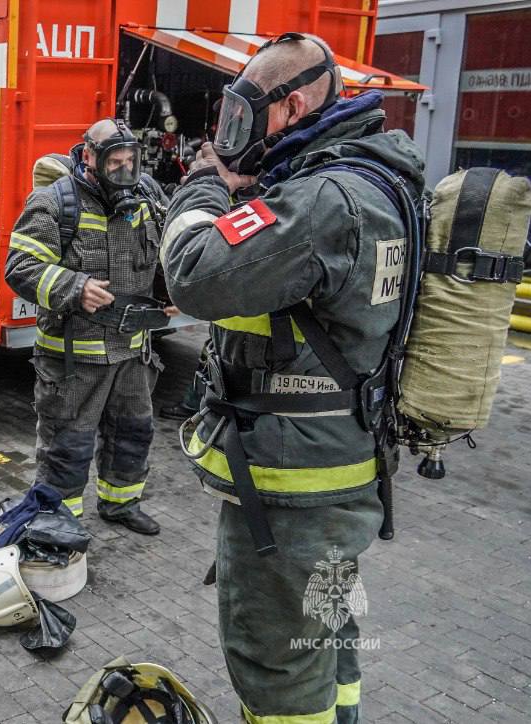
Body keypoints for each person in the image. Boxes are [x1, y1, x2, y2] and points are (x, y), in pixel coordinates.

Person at [160, 33, 425, 723]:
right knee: (325, 634)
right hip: (342, 470)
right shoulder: (373, 180)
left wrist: (203, 184)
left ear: (294, 103)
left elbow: (193, 271)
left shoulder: (320, 201)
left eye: (244, 116)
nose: (231, 133)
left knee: (274, 661)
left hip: (291, 493)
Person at [4, 119, 174, 534]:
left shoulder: (147, 196)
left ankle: (121, 504)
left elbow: (164, 249)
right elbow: (20, 268)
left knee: (133, 432)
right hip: (73, 357)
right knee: (68, 442)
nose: (124, 170)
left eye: (130, 161)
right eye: (114, 162)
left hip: (133, 349)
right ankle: (60, 523)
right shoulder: (54, 203)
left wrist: (169, 292)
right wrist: (74, 287)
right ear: (88, 158)